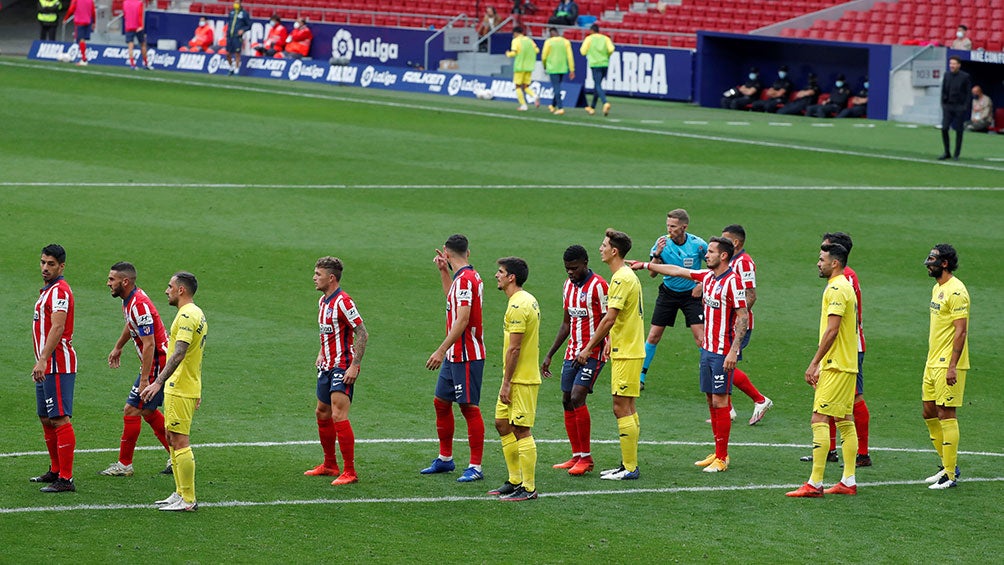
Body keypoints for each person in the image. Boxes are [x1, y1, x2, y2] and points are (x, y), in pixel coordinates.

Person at [632, 237, 748, 473]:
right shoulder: (708, 277)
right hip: (707, 350)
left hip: (722, 352)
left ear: (723, 256)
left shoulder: (732, 281)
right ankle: (717, 452)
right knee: (710, 400)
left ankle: (723, 457)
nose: (707, 255)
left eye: (712, 252)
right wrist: (646, 265)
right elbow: (677, 270)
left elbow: (743, 317)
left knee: (720, 401)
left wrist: (734, 351)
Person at [786, 243, 858, 497]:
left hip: (836, 365)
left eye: (821, 259)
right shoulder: (843, 285)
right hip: (846, 364)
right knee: (845, 421)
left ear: (834, 263)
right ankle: (848, 480)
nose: (818, 263)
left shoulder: (837, 288)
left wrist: (815, 362)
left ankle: (814, 484)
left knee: (819, 418)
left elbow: (832, 330)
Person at [574, 229, 644, 481]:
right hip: (628, 348)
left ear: (614, 251)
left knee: (620, 407)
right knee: (628, 406)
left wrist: (588, 347)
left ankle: (630, 467)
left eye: (604, 245)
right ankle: (627, 463)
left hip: (627, 351)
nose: (600, 249)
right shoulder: (625, 276)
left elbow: (609, 318)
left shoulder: (621, 279)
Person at [799, 233, 872, 466]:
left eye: (824, 253)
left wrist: (816, 361)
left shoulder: (843, 281)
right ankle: (831, 450)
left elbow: (836, 326)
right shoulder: (842, 279)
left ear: (836, 258)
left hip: (846, 349)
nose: (819, 260)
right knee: (836, 406)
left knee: (849, 402)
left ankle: (862, 453)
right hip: (841, 349)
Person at [140, 272, 208, 511]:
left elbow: (180, 352)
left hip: (180, 387)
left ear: (181, 290)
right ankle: (179, 493)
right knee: (171, 437)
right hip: (181, 385)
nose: (166, 290)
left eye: (170, 287)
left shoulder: (188, 315)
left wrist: (157, 382)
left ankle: (188, 499)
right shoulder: (193, 313)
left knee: (180, 440)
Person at [422, 234, 487, 483]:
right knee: (441, 402)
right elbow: (453, 300)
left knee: (469, 408)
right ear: (467, 253)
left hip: (467, 355)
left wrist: (440, 350)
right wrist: (443, 271)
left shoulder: (466, 280)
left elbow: (462, 319)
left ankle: (475, 466)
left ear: (447, 254)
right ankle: (445, 459)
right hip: (455, 354)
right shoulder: (468, 276)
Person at [541, 245, 608, 476]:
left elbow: (610, 319)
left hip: (594, 352)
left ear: (586, 263)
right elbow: (566, 323)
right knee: (567, 400)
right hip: (572, 352)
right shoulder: (567, 286)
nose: (570, 272)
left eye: (574, 268)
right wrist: (550, 354)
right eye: (567, 269)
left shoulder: (599, 286)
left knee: (578, 396)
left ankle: (587, 459)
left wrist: (597, 346)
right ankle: (576, 455)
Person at [100, 262, 172, 478]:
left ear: (125, 281)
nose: (108, 283)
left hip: (157, 363)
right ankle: (176, 455)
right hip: (156, 361)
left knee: (131, 409)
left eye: (112, 279)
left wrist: (144, 379)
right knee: (148, 411)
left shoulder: (138, 304)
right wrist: (118, 346)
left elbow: (149, 344)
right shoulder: (130, 300)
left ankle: (125, 465)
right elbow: (132, 325)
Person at [303, 257, 368, 487]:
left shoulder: (344, 302)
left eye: (318, 274)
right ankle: (330, 464)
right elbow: (329, 333)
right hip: (327, 365)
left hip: (342, 365)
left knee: (339, 414)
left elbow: (362, 333)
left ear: (331, 278)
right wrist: (321, 351)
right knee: (322, 412)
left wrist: (355, 365)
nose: (314, 277)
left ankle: (350, 471)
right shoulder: (323, 302)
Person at [487, 257, 541, 501]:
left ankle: (528, 488)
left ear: (512, 278)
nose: (497, 275)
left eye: (501, 272)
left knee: (521, 429)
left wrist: (507, 382)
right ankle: (514, 479)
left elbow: (515, 349)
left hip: (521, 379)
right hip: (513, 377)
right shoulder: (522, 300)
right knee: (501, 423)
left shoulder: (519, 305)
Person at [29, 244, 78, 493]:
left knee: (59, 418)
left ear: (61, 266)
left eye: (50, 264)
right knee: (46, 417)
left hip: (57, 364)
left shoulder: (60, 292)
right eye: (42, 262)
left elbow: (57, 327)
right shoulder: (47, 291)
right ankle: (55, 470)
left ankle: (66, 479)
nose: (45, 268)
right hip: (47, 364)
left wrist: (43, 359)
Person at [640, 209, 706, 391]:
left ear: (684, 227)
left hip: (691, 296)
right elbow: (652, 274)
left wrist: (701, 284)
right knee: (653, 335)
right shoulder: (661, 243)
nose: (669, 229)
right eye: (668, 225)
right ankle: (640, 377)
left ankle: (710, 376)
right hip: (668, 293)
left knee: (700, 338)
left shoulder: (698, 245)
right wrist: (657, 254)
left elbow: (715, 266)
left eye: (673, 226)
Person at [921, 244, 969, 490]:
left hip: (948, 364)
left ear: (945, 264)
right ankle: (947, 465)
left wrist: (953, 366)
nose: (928, 263)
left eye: (932, 259)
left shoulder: (957, 291)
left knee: (946, 413)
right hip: (932, 361)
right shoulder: (937, 288)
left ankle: (950, 475)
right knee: (929, 412)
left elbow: (961, 331)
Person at [720, 225, 773, 426]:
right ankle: (727, 408)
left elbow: (751, 295)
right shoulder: (728, 261)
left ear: (735, 242)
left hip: (738, 325)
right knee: (718, 363)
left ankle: (760, 400)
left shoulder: (744, 263)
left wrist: (734, 317)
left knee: (723, 365)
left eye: (725, 239)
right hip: (726, 323)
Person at [939, 56, 972, 161]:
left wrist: (964, 106)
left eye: (954, 64)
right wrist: (943, 104)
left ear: (958, 65)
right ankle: (946, 151)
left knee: (959, 130)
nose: (952, 66)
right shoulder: (946, 75)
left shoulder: (965, 76)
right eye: (950, 64)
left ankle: (956, 154)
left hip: (959, 107)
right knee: (944, 128)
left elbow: (968, 93)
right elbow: (944, 89)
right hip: (948, 106)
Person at [580, 24, 615, 116]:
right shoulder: (605, 38)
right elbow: (611, 49)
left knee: (597, 84)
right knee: (597, 85)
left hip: (595, 64)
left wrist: (591, 52)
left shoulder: (589, 39)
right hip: (604, 64)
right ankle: (592, 107)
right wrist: (606, 56)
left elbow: (582, 51)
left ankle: (605, 102)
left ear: (591, 31)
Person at [542, 27, 575, 116]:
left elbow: (544, 56)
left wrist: (544, 65)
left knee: (556, 87)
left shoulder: (548, 42)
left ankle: (560, 107)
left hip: (553, 68)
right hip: (562, 68)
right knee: (557, 86)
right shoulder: (565, 42)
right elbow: (570, 56)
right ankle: (553, 105)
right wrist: (572, 69)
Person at [506, 26, 540, 111]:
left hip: (520, 66)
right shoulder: (529, 40)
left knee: (517, 86)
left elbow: (514, 53)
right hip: (529, 66)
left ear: (516, 33)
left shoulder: (516, 41)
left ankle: (523, 105)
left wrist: (508, 54)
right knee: (525, 86)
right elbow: (537, 50)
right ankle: (534, 95)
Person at [63, 0, 94, 66]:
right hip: (88, 21)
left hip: (80, 21)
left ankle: (84, 59)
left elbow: (71, 9)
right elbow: (93, 11)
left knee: (81, 40)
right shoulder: (90, 1)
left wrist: (66, 18)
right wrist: (94, 22)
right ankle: (81, 58)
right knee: (82, 40)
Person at [123, 0, 152, 70]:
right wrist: (140, 25)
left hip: (129, 26)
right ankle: (145, 63)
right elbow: (140, 15)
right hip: (138, 26)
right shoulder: (139, 3)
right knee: (143, 44)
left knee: (130, 45)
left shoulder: (125, 2)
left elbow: (125, 14)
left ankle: (132, 64)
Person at [224, 0, 252, 75]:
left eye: (237, 3)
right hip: (230, 35)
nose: (236, 4)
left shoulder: (244, 14)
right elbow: (229, 23)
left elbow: (249, 25)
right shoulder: (231, 12)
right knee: (227, 53)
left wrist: (243, 30)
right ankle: (231, 67)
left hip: (237, 36)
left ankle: (237, 68)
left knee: (237, 53)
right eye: (235, 2)